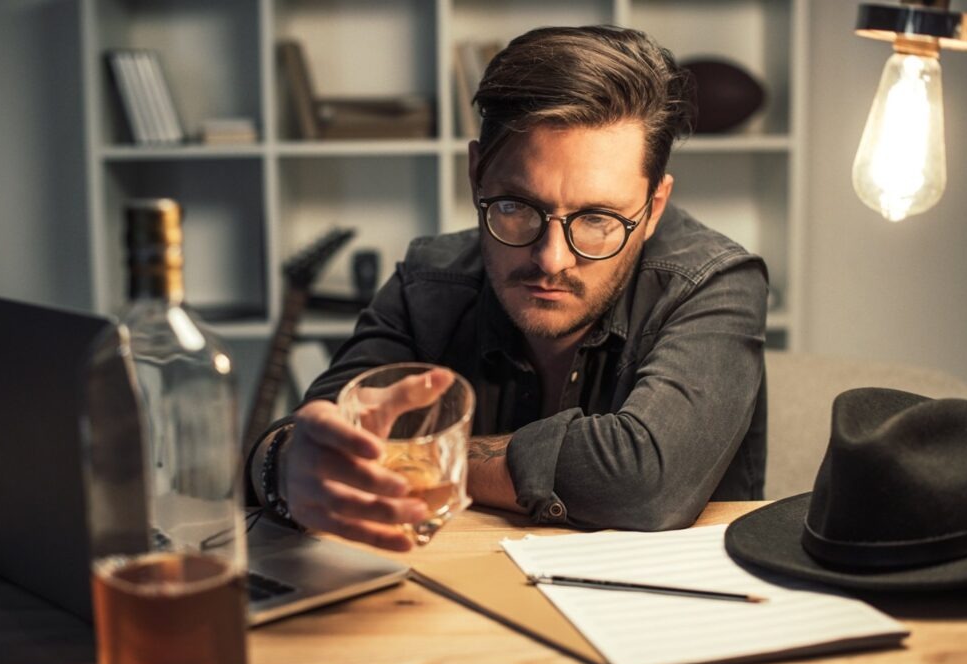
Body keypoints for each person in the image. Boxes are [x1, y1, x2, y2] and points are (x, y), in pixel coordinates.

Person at [247, 25, 768, 551]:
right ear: (477, 173)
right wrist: (288, 463)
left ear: (653, 207)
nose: (551, 259)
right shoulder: (429, 282)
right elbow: (308, 434)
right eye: (516, 207)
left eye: (597, 218)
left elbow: (643, 480)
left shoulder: (716, 283)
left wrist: (434, 459)